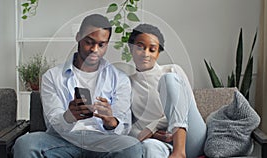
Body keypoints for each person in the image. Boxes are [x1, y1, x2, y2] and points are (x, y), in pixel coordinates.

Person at [13, 14, 142, 158]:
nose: (94, 49)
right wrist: (69, 116)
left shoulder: (120, 79)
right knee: (25, 143)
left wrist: (111, 121)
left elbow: (123, 126)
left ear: (107, 44)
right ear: (78, 37)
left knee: (132, 146)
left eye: (101, 44)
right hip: (63, 140)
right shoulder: (52, 76)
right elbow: (53, 122)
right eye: (89, 42)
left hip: (104, 140)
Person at [128, 23, 207, 158]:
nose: (146, 54)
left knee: (168, 79)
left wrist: (152, 127)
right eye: (140, 47)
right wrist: (151, 134)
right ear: (131, 48)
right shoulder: (127, 83)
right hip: (158, 142)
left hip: (190, 138)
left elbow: (185, 109)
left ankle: (179, 152)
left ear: (158, 53)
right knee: (148, 147)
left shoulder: (172, 70)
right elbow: (127, 127)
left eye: (152, 49)